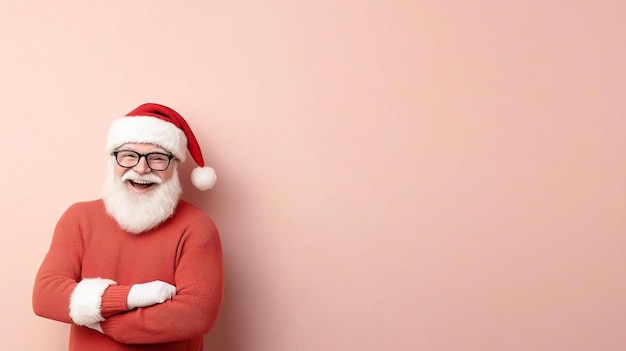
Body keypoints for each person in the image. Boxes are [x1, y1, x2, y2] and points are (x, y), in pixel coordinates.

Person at [32, 103, 224, 351]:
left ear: (175, 166)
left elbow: (195, 314)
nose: (141, 169)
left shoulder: (197, 226)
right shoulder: (79, 218)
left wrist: (99, 320)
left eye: (157, 158)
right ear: (113, 160)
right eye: (129, 156)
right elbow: (46, 296)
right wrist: (133, 296)